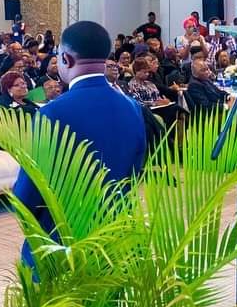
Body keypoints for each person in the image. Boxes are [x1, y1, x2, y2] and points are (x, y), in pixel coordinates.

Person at [13, 21, 147, 260]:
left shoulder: (52, 113)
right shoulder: (132, 107)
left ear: (66, 59)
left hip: (62, 242)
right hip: (114, 238)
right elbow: (133, 172)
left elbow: (29, 191)